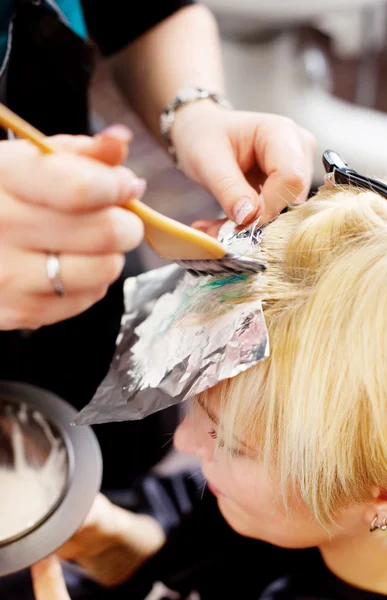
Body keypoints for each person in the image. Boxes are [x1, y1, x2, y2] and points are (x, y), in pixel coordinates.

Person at [31, 165, 387, 599]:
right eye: (200, 410)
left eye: (234, 443)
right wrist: (121, 544)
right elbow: (200, 541)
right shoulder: (252, 503)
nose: (185, 442)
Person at [0, 0, 315, 491]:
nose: (187, 446)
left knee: (109, 463)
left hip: (79, 248)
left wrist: (193, 113)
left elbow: (143, 13)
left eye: (234, 443)